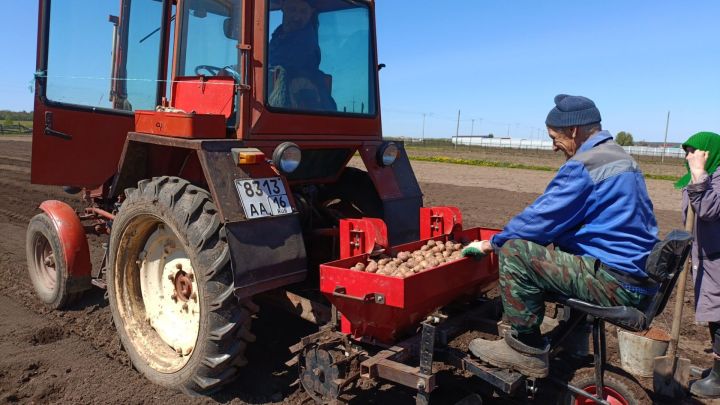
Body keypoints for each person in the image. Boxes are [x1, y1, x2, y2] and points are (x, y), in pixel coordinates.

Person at [462, 94, 659, 378]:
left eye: (555, 137)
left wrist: (492, 243)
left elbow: (540, 220)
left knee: (517, 252)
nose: (554, 147)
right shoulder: (620, 157)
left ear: (574, 131)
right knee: (564, 251)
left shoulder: (585, 165)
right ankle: (573, 345)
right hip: (636, 277)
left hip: (615, 282)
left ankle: (524, 349)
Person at [678, 132, 720, 399]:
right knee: (714, 313)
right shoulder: (702, 176)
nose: (689, 157)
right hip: (707, 257)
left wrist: (700, 174)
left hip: (718, 258)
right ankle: (717, 370)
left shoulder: (713, 178)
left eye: (694, 151)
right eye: (687, 152)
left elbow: (708, 210)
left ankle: (719, 379)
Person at [267, 0, 336, 111]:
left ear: (311, 13)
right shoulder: (278, 36)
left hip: (291, 106)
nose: (297, 17)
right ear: (283, 8)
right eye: (292, 10)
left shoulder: (306, 42)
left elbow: (284, 66)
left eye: (303, 11)